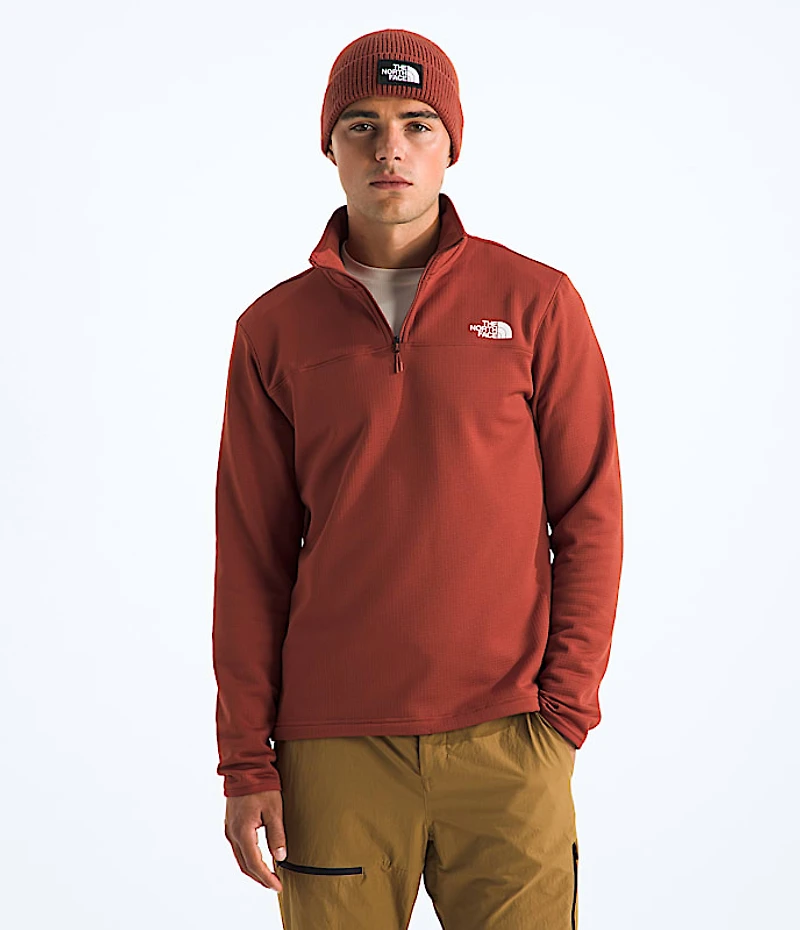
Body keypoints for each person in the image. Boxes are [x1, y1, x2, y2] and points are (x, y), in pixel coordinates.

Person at [212, 28, 623, 929]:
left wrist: (565, 710)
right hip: (332, 751)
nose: (388, 148)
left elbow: (590, 514)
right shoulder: (272, 331)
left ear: (451, 144)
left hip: (510, 740)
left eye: (416, 123)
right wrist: (246, 762)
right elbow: (250, 558)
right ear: (329, 146)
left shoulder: (537, 303)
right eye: (360, 124)